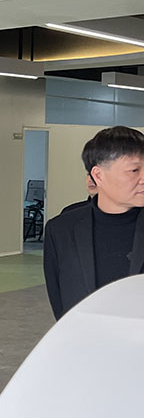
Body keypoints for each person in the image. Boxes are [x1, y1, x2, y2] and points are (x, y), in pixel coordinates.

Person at [44, 126, 144, 320]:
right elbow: (60, 303)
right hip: (85, 336)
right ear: (98, 175)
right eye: (134, 170)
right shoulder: (61, 230)